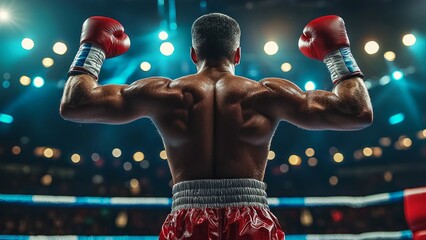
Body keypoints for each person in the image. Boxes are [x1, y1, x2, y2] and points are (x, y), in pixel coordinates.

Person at [60, 13, 373, 240]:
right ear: (237, 53)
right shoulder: (266, 94)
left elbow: (76, 103)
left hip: (186, 220)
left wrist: (94, 48)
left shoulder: (163, 93)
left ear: (193, 54)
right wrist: (337, 53)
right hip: (252, 219)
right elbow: (356, 111)